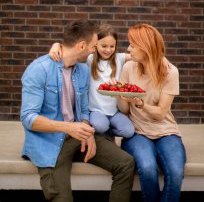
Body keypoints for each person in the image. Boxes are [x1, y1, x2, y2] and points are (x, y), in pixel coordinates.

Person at [20, 19, 135, 202]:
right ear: (82, 45)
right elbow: (28, 118)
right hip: (49, 143)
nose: (94, 50)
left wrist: (86, 128)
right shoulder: (38, 70)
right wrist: (68, 127)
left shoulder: (82, 70)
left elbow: (83, 109)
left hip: (78, 134)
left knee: (126, 163)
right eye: (93, 46)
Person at [117, 23, 186, 202]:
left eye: (132, 45)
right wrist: (120, 94)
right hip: (137, 132)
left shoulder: (170, 72)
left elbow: (161, 113)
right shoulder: (128, 68)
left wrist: (141, 104)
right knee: (148, 168)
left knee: (176, 172)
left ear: (145, 47)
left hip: (166, 131)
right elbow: (124, 110)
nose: (128, 49)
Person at [49, 23, 135, 138]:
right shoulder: (89, 59)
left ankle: (107, 134)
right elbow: (72, 49)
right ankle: (102, 133)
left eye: (112, 46)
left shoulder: (119, 58)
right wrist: (56, 45)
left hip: (114, 111)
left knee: (128, 131)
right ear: (95, 45)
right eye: (104, 46)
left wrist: (161, 59)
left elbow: (140, 55)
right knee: (100, 126)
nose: (108, 50)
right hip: (96, 110)